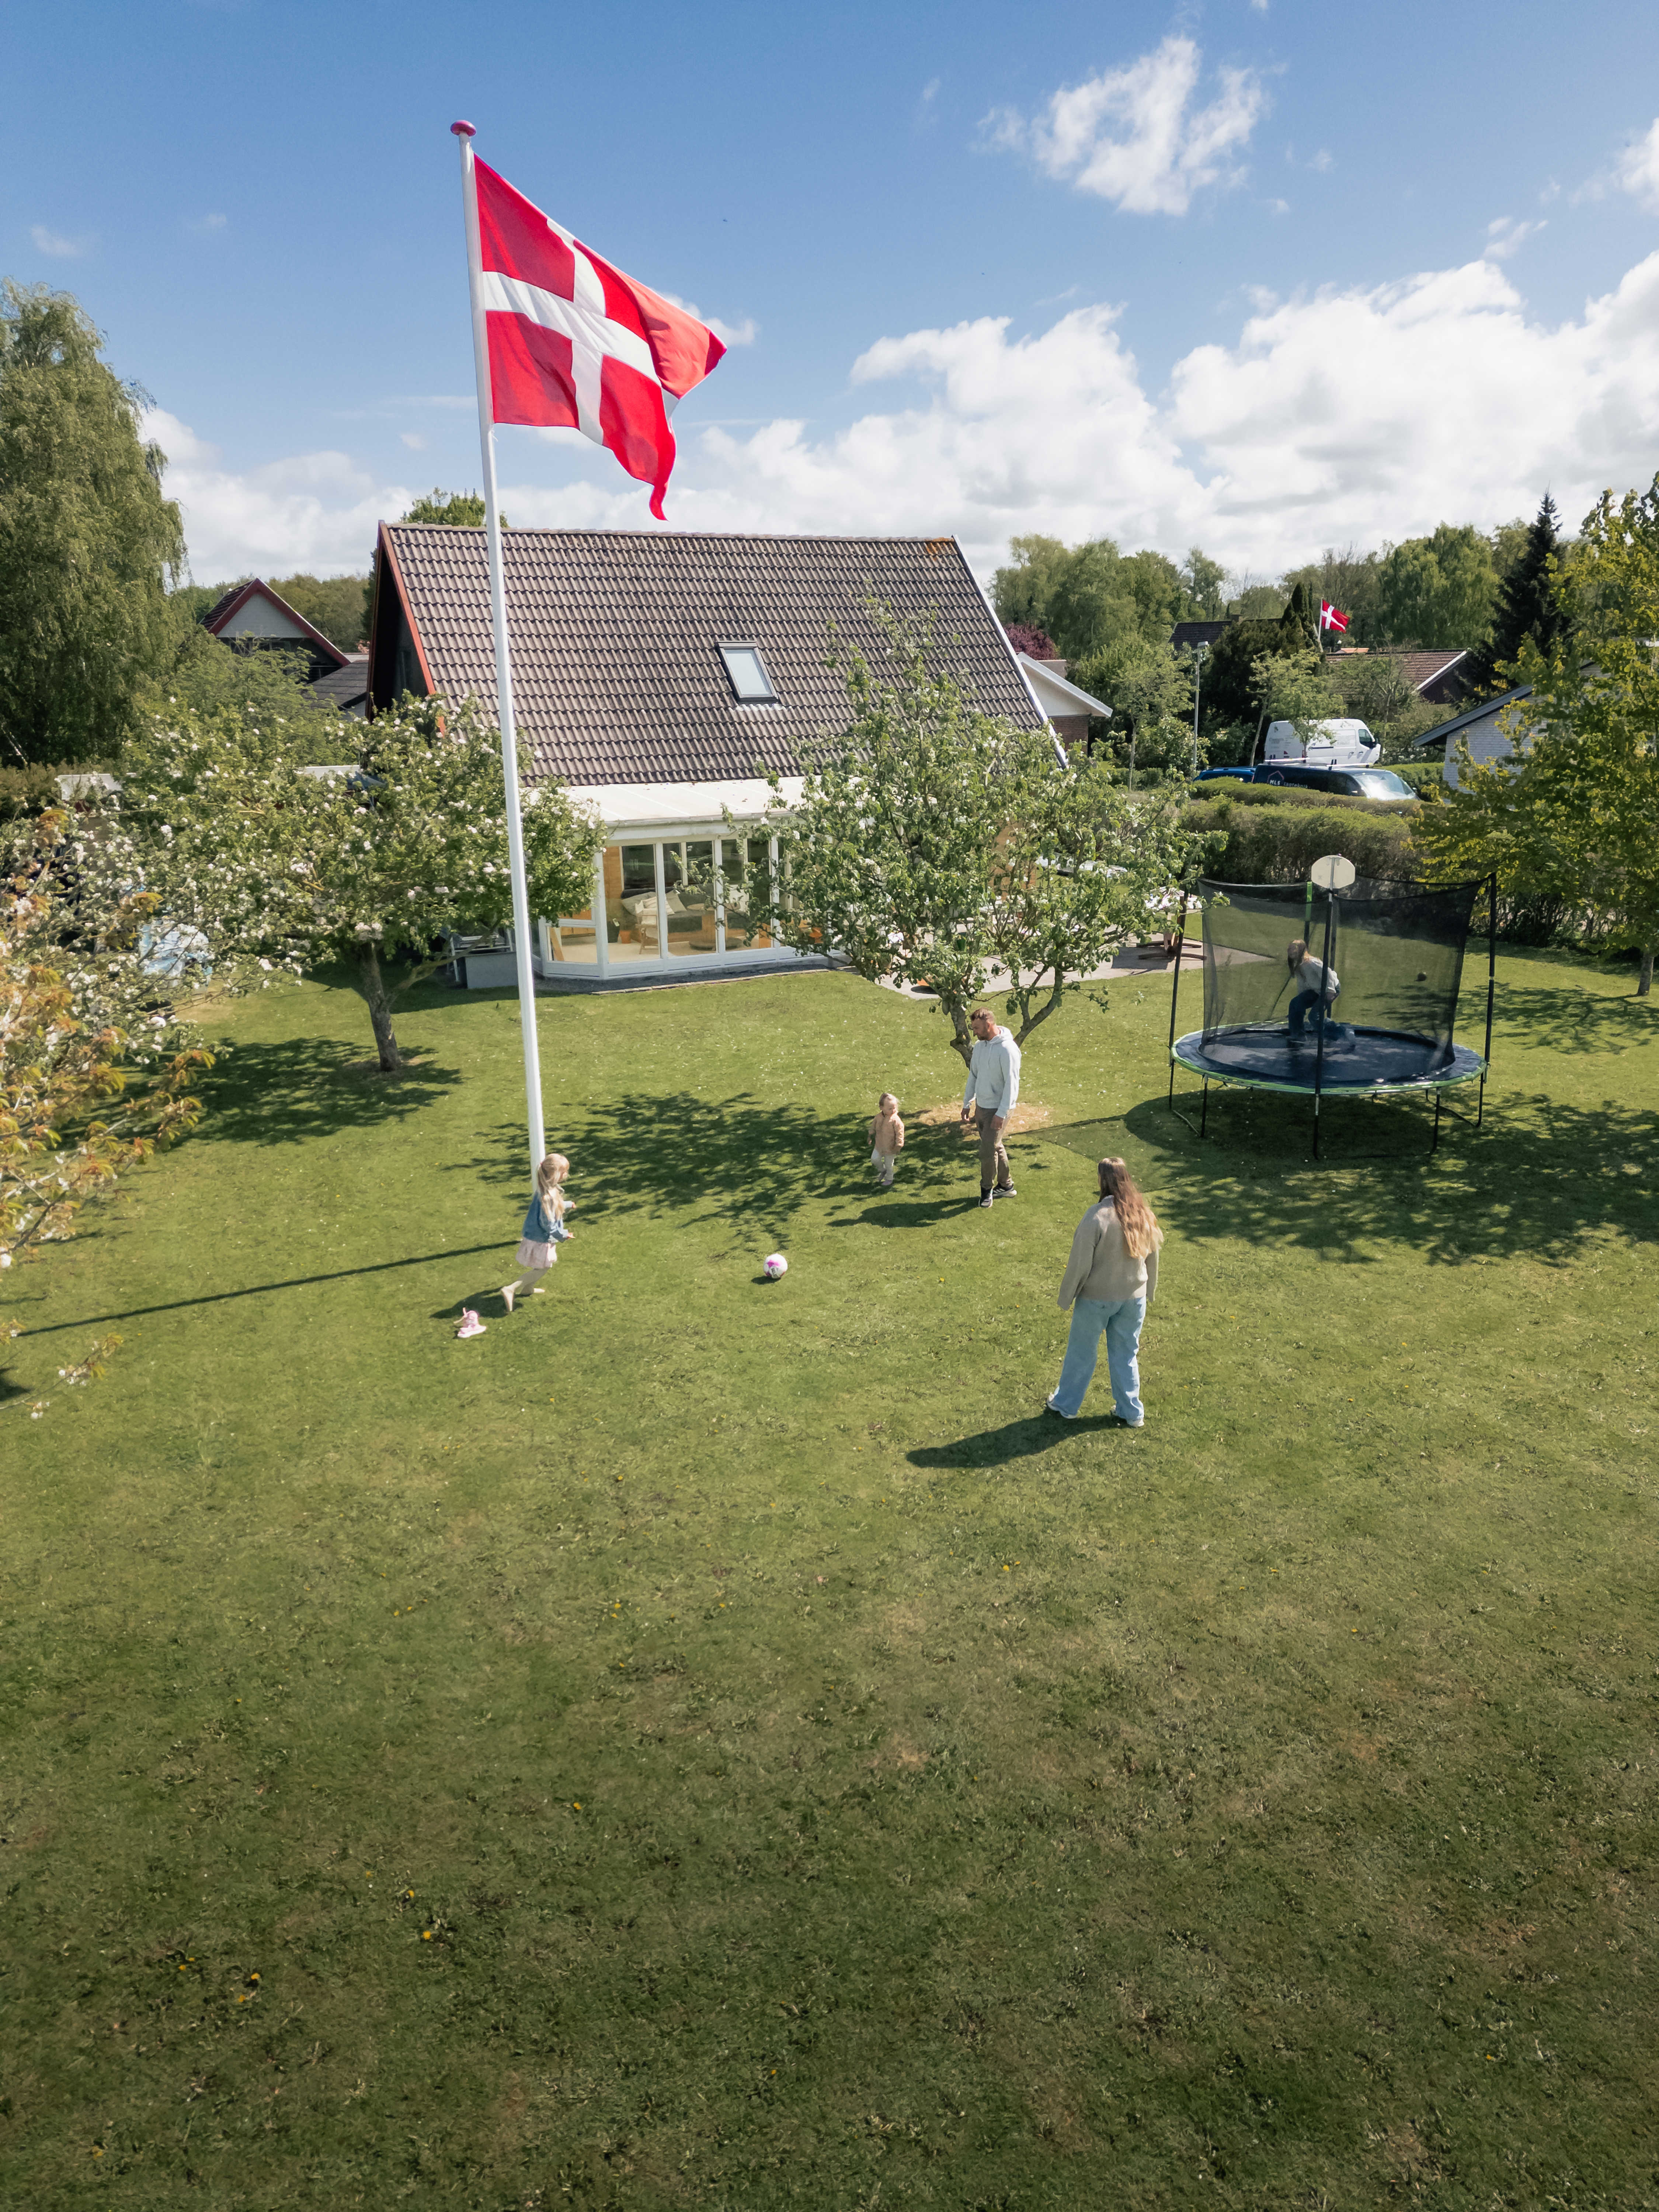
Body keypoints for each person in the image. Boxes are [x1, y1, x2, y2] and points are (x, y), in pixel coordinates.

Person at [1045, 1156, 1163, 1425]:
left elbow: (1080, 1264)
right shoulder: (1143, 1214)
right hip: (1134, 1300)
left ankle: (1066, 1405)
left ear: (1103, 1180)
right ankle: (1132, 1412)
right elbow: (1153, 1259)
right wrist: (1150, 1292)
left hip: (1097, 1299)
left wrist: (1066, 1297)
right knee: (1126, 1354)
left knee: (1082, 1352)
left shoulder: (1097, 1216)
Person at [960, 1007, 1021, 1208]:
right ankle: (1007, 1185)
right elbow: (974, 1075)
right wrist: (967, 1103)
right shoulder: (980, 1047)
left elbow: (1012, 1085)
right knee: (995, 1146)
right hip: (982, 1107)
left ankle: (986, 1191)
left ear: (989, 1025)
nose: (974, 1032)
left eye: (977, 1028)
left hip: (1000, 1109)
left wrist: (1001, 1114)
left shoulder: (1008, 1050)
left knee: (987, 1152)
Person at [501, 1152, 572, 1313]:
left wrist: (568, 1204)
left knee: (541, 1266)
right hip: (541, 1239)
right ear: (555, 1175)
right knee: (543, 1268)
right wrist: (564, 1235)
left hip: (533, 1236)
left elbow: (555, 1206)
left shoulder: (545, 1190)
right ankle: (512, 1288)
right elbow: (548, 1224)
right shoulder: (549, 1197)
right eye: (564, 1172)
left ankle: (528, 1289)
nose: (566, 1174)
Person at [1285, 937, 1340, 1043]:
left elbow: (1327, 973)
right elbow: (1302, 986)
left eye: (1293, 949)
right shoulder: (1298, 966)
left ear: (1300, 951)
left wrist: (1330, 991)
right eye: (1289, 949)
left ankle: (1340, 1031)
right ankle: (1299, 1035)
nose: (1290, 951)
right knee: (1295, 1004)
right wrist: (1297, 1009)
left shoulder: (1311, 962)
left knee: (1314, 1017)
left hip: (1330, 988)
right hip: (1316, 991)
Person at [869, 1092, 904, 1189]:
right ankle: (882, 1170)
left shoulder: (895, 1120)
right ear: (881, 1108)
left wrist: (898, 1146)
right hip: (879, 1145)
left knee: (889, 1165)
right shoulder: (878, 1117)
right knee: (875, 1159)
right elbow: (873, 1127)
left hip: (891, 1148)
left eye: (894, 1108)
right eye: (890, 1109)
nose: (893, 1110)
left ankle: (889, 1178)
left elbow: (900, 1133)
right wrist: (870, 1135)